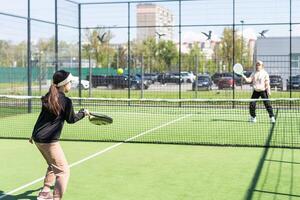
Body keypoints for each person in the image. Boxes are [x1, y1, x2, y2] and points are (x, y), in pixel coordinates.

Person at [30, 70, 89, 200]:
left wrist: (33, 133)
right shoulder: (66, 101)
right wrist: (83, 113)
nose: (71, 85)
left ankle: (45, 192)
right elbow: (71, 119)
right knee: (63, 172)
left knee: (53, 164)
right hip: (49, 141)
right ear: (64, 84)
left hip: (37, 138)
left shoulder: (48, 96)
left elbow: (42, 118)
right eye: (70, 82)